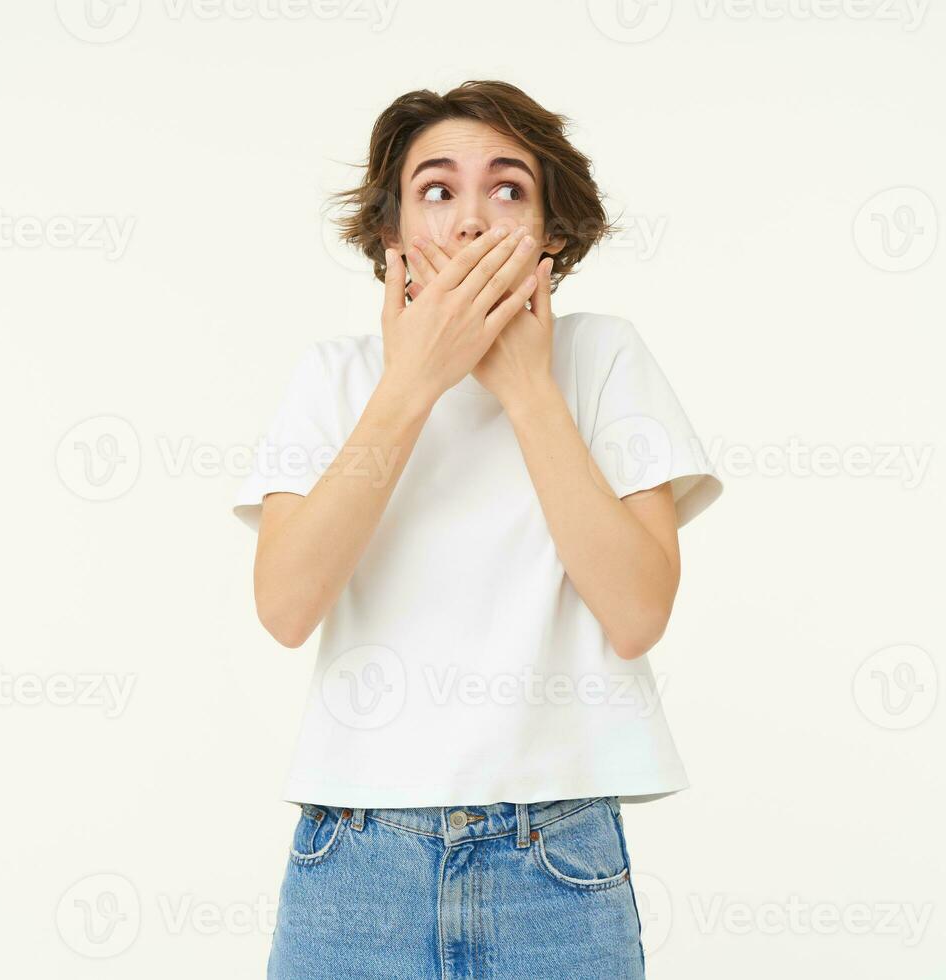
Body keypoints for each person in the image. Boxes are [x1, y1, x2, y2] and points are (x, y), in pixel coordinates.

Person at [232, 79, 723, 979]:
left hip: (557, 863)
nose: (470, 221)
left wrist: (527, 387)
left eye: (507, 189)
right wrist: (413, 382)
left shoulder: (603, 359)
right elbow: (286, 606)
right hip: (356, 864)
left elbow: (638, 611)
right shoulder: (335, 379)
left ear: (551, 235)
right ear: (391, 239)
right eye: (436, 190)